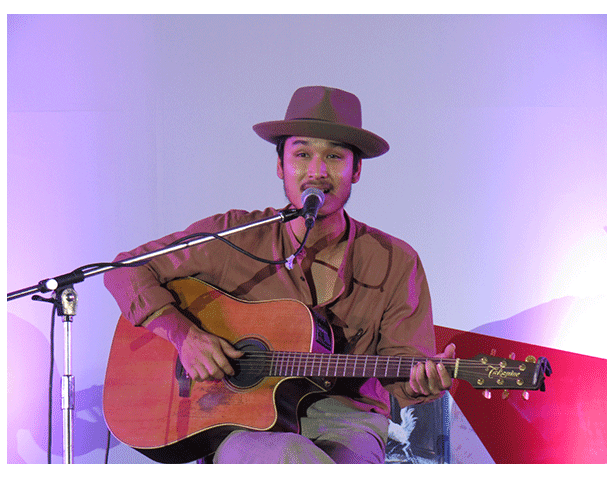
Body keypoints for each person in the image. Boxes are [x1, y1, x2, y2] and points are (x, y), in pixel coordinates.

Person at [103, 86, 455, 464]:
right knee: (290, 454)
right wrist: (185, 336)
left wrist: (423, 382)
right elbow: (125, 271)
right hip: (243, 426)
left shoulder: (396, 261)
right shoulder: (234, 235)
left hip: (347, 422)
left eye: (334, 156)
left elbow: (405, 370)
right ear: (280, 166)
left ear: (356, 170)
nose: (317, 171)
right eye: (302, 154)